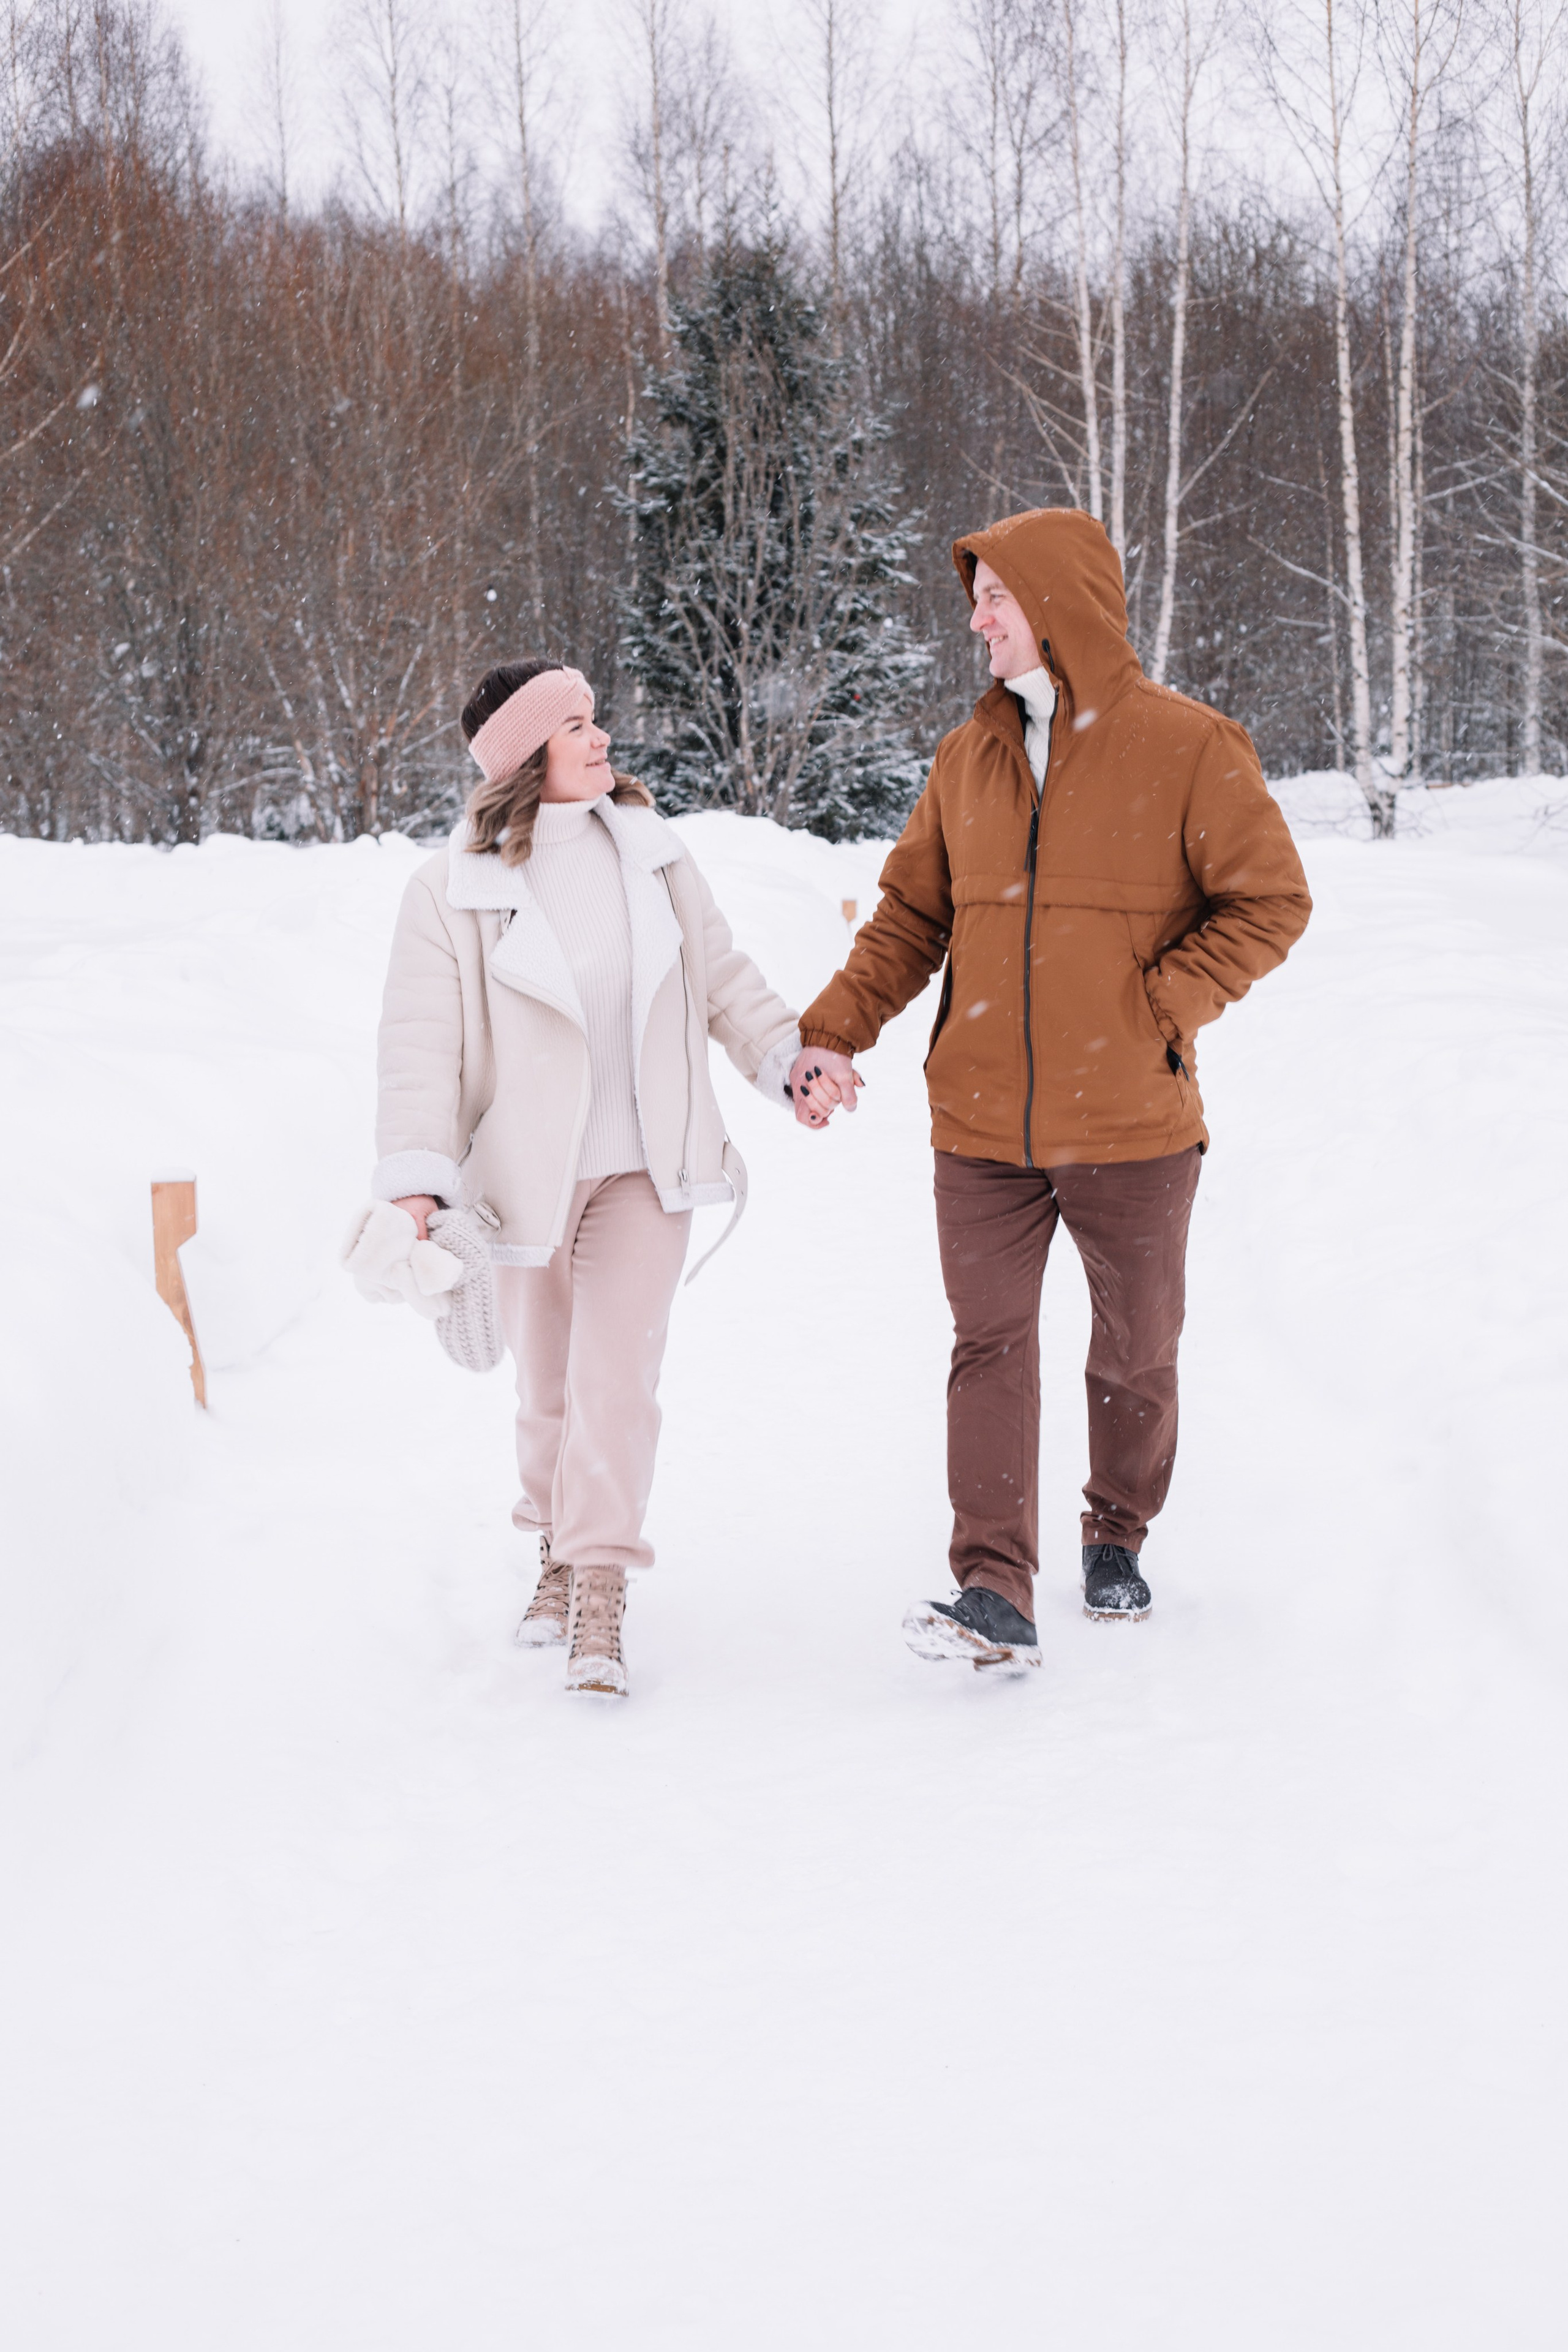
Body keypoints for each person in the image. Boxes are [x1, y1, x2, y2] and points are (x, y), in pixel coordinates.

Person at [787, 508, 1312, 1674]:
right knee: (989, 1344)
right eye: (975, 598)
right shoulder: (968, 756)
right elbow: (913, 919)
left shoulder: (1189, 746)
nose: (974, 618)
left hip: (1131, 1123)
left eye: (995, 598)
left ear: (1057, 604)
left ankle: (1116, 1533)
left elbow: (1271, 901)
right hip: (979, 1124)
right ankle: (994, 1584)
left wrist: (1157, 1005)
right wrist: (833, 1034)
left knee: (1137, 1345)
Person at [372, 659, 805, 1698]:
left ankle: (601, 1586)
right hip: (525, 1184)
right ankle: (555, 1551)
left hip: (646, 1171)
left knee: (616, 1382)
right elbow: (420, 1048)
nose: (602, 735)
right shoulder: (451, 891)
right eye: (576, 724)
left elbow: (723, 978)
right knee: (550, 1387)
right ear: (526, 757)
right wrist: (417, 1183)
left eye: (596, 717)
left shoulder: (653, 856)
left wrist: (787, 1061)